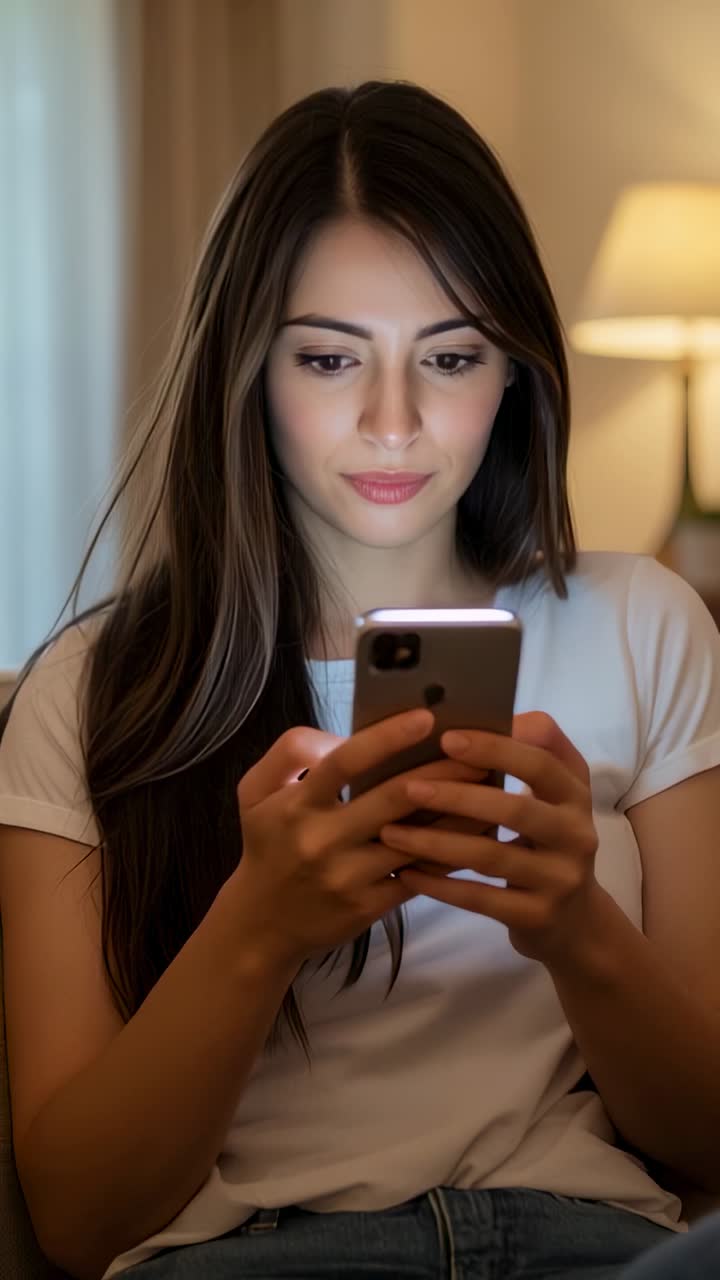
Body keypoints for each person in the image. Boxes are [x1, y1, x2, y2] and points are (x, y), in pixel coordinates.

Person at [0, 80, 719, 1280]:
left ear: (515, 375)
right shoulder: (89, 690)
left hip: (595, 1246)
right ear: (248, 371)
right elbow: (77, 1218)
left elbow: (708, 1143)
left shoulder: (644, 624)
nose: (394, 422)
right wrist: (261, 923)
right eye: (331, 358)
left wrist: (574, 927)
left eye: (451, 355)